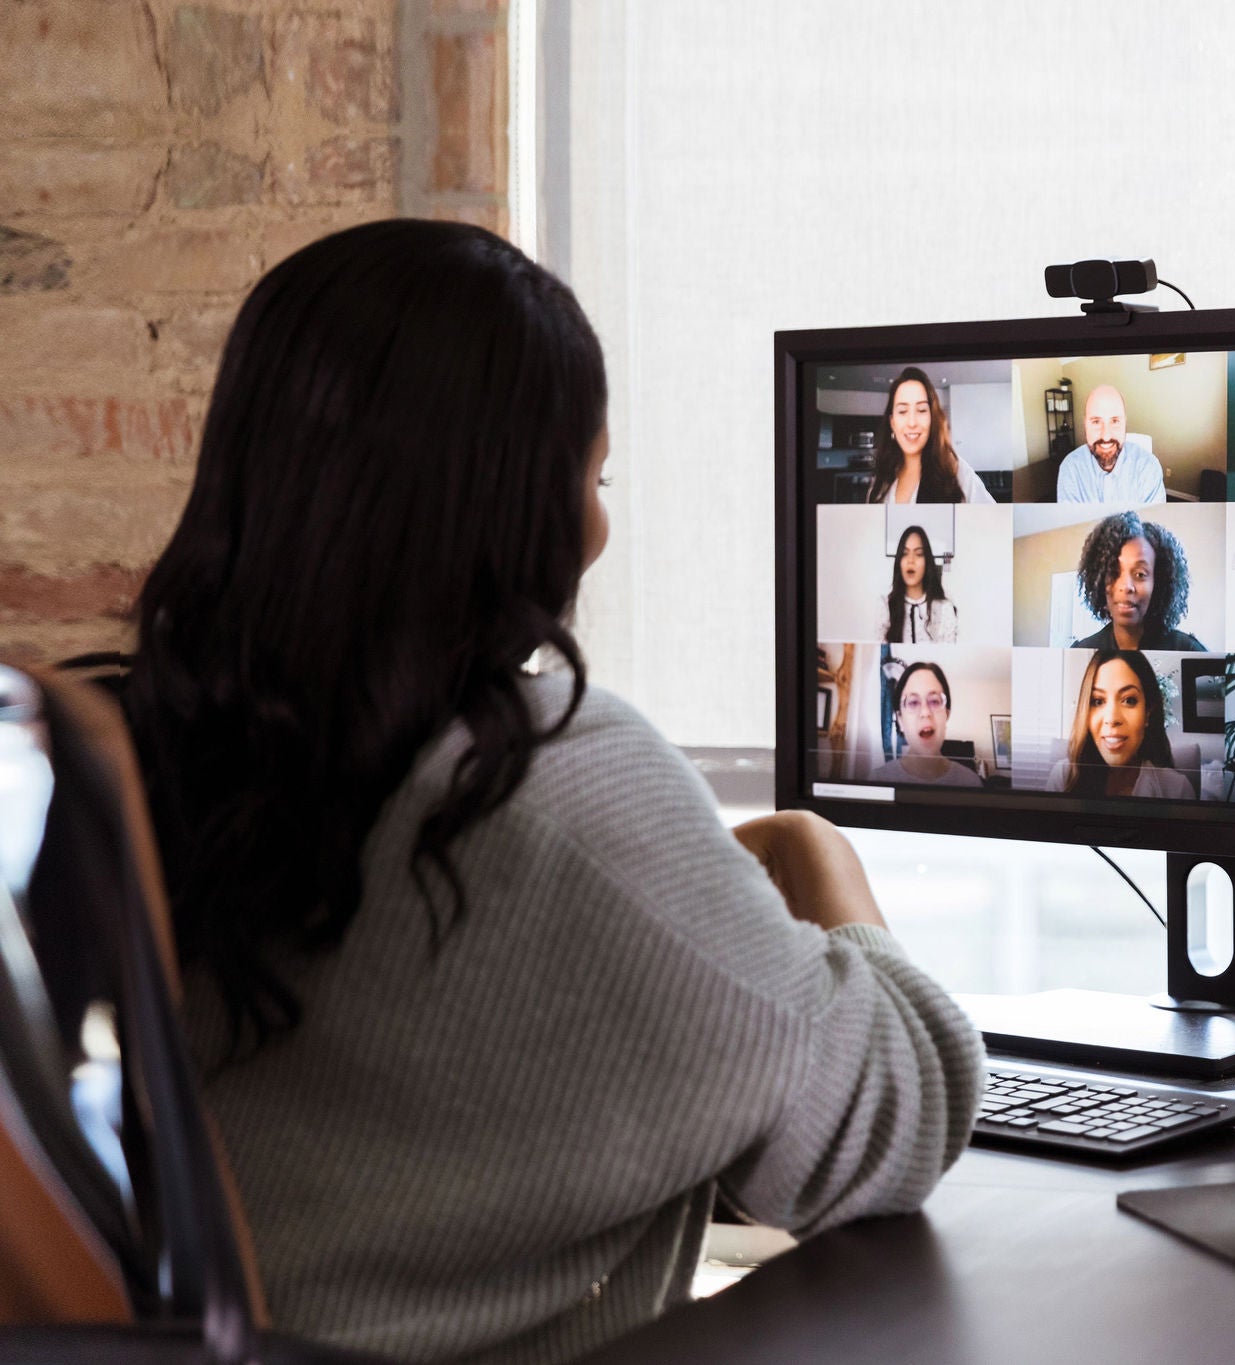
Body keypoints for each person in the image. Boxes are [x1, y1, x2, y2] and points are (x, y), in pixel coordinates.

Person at [120, 220, 982, 1365]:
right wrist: (821, 864)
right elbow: (894, 1115)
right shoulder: (540, 778)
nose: (600, 524)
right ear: (516, 501)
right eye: (595, 474)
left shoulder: (141, 744)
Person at [1043, 649, 1195, 799]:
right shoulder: (1063, 777)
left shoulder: (1178, 789)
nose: (1112, 718)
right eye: (1098, 701)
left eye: (1129, 700)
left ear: (1148, 712)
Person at [1069, 510, 1207, 651]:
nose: (1126, 586)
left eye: (1140, 574)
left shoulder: (1189, 651)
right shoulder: (1082, 651)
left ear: (1158, 583)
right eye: (1114, 572)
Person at [866, 365, 995, 504]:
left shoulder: (955, 472)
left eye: (921, 410)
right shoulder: (882, 479)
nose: (912, 422)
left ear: (932, 419)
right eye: (902, 411)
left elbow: (995, 521)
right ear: (892, 422)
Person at [866, 661, 982, 788]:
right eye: (913, 702)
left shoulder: (971, 782)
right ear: (900, 720)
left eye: (934, 701)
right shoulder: (877, 781)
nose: (925, 712)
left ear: (946, 714)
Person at [1055, 384, 1165, 503]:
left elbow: (1152, 520)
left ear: (1125, 423)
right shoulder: (1070, 469)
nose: (1106, 436)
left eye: (1115, 421)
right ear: (1085, 424)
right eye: (1096, 422)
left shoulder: (1149, 468)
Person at [877, 525, 958, 643]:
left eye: (919, 554)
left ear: (927, 561)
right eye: (905, 553)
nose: (911, 560)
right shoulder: (885, 606)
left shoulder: (944, 608)